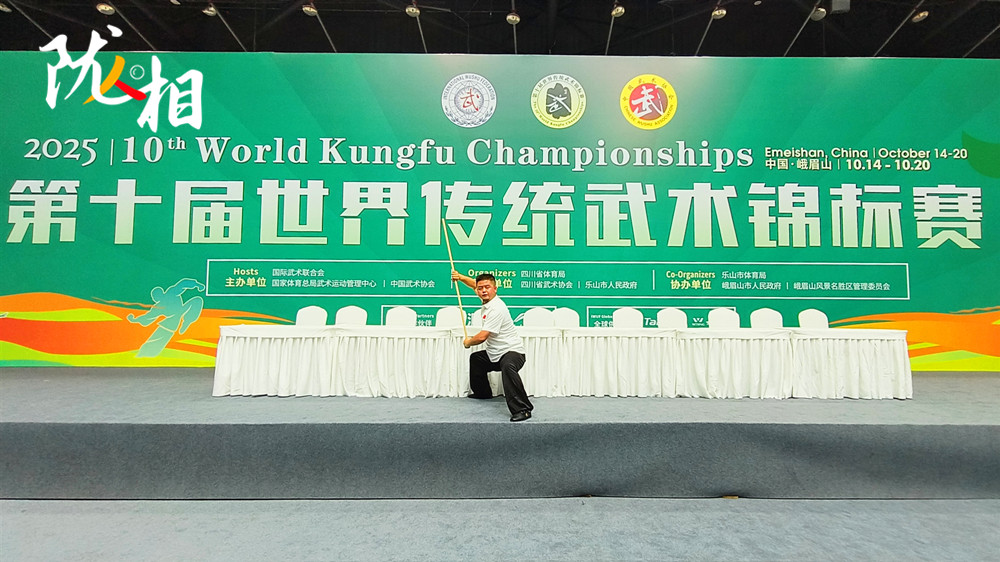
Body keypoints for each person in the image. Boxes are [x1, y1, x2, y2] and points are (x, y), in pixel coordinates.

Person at [451, 270, 533, 422]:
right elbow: (473, 284)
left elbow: (482, 337)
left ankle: (523, 409)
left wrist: (468, 342)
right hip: (495, 353)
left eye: (487, 287)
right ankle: (483, 393)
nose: (483, 291)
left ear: (495, 289)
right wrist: (460, 277)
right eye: (480, 288)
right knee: (477, 359)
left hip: (513, 352)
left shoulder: (496, 308)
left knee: (507, 366)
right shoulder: (487, 300)